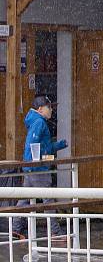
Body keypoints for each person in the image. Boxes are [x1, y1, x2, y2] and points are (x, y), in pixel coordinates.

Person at [12, 95, 68, 239]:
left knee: (24, 199)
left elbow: (44, 147)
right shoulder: (39, 122)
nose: (51, 110)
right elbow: (33, 143)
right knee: (48, 200)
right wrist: (35, 161)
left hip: (31, 168)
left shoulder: (34, 120)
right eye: (49, 107)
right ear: (40, 108)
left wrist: (60, 145)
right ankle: (55, 232)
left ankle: (15, 228)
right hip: (38, 169)